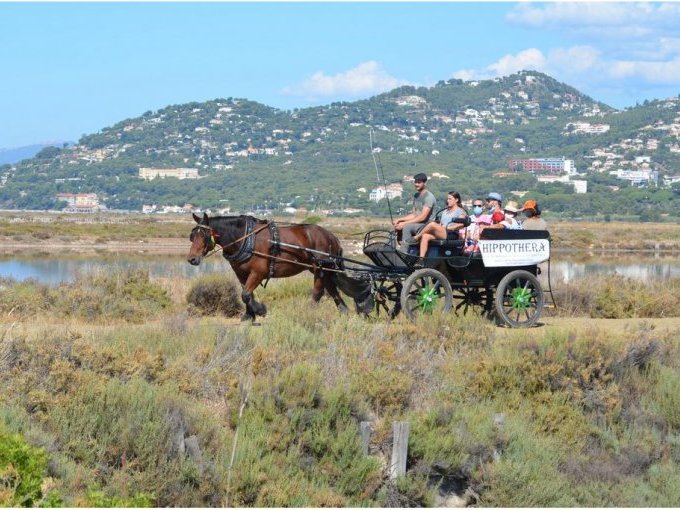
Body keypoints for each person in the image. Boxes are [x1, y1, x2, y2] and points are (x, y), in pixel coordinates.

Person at [413, 191, 467, 258]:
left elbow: (461, 225)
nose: (448, 201)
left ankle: (417, 237)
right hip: (442, 232)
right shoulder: (445, 211)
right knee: (425, 236)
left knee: (432, 224)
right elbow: (441, 223)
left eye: (450, 199)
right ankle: (421, 259)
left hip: (451, 234)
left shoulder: (460, 211)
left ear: (456, 200)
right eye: (447, 199)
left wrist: (448, 227)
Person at [392, 173, 436, 248]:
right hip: (417, 223)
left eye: (419, 182)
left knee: (407, 227)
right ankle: (393, 248)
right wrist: (399, 220)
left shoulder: (429, 197)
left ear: (425, 183)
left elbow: (423, 217)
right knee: (397, 225)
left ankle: (405, 251)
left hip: (426, 224)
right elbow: (414, 214)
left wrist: (405, 223)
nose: (416, 184)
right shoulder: (416, 196)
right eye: (415, 182)